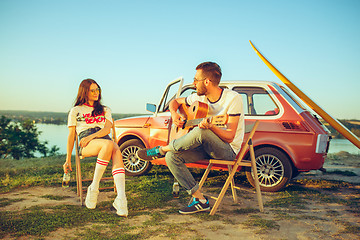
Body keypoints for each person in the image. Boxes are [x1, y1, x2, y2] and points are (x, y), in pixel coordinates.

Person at [137, 62, 244, 214]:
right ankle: (200, 200)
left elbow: (230, 136)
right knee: (171, 157)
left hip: (227, 151)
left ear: (207, 81)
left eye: (196, 80)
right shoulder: (199, 98)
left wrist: (211, 126)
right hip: (205, 148)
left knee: (202, 132)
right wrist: (175, 114)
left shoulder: (233, 98)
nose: (193, 83)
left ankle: (160, 149)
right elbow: (174, 102)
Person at [63, 78, 128, 217]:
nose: (95, 92)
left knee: (115, 149)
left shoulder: (105, 109)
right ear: (84, 92)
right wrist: (68, 159)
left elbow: (106, 130)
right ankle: (95, 188)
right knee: (112, 146)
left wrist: (92, 137)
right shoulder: (76, 110)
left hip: (100, 138)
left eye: (97, 89)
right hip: (86, 143)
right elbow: (71, 136)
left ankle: (121, 199)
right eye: (92, 90)